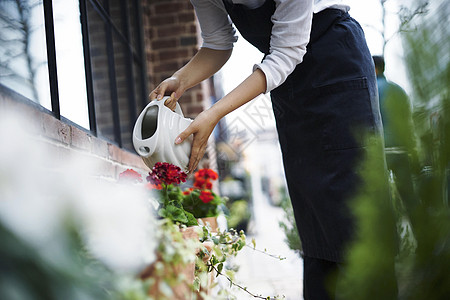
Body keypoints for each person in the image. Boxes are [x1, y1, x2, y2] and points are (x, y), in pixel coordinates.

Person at [150, 1, 390, 299]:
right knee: (315, 215)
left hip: (335, 64)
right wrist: (181, 79)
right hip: (290, 83)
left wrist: (213, 113)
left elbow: (287, 51)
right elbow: (217, 42)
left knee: (352, 209)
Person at [373, 55, 419, 215]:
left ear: (375, 69)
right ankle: (423, 236)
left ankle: (391, 238)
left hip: (383, 151)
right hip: (402, 149)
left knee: (381, 202)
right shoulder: (399, 90)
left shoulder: (372, 91)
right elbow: (408, 121)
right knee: (409, 197)